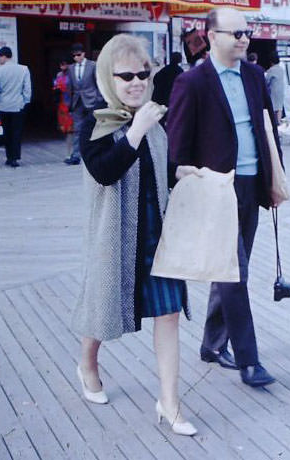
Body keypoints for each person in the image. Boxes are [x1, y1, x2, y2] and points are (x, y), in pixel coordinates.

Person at [71, 34, 196, 436]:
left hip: (158, 237)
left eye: (144, 74)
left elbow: (162, 165)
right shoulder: (96, 122)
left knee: (169, 314)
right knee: (103, 309)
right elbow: (105, 170)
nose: (137, 82)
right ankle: (88, 363)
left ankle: (170, 402)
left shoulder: (153, 119)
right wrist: (135, 130)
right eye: (126, 76)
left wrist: (182, 172)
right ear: (109, 77)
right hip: (115, 239)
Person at [167, 6, 283, 388]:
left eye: (246, 32)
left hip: (251, 184)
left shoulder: (253, 75)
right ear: (211, 36)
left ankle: (213, 344)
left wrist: (275, 177)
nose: (243, 38)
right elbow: (177, 145)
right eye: (235, 33)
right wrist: (185, 181)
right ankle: (250, 361)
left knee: (228, 268)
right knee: (236, 273)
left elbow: (267, 130)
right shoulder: (193, 82)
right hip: (216, 189)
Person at [0, 47, 31, 168]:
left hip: (3, 105)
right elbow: (27, 89)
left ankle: (9, 156)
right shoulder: (24, 69)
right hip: (18, 105)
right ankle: (15, 157)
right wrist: (25, 102)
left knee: (6, 132)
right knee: (16, 132)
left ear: (4, 56)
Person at [66, 43, 102, 165]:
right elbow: (69, 87)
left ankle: (94, 152)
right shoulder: (71, 68)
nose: (76, 57)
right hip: (77, 102)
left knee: (93, 128)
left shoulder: (93, 65)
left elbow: (99, 84)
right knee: (77, 129)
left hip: (92, 102)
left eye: (79, 55)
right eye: (74, 55)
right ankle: (76, 155)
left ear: (84, 54)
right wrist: (68, 104)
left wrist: (98, 100)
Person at [53, 60, 75, 157]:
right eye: (61, 64)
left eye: (65, 64)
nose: (63, 66)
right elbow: (56, 90)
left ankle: (74, 152)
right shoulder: (59, 75)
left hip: (74, 103)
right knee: (68, 130)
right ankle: (69, 153)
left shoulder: (73, 73)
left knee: (74, 130)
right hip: (63, 105)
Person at [265, 51, 285, 122]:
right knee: (279, 107)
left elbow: (266, 80)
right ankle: (278, 121)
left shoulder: (271, 70)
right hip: (281, 90)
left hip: (273, 90)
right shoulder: (281, 69)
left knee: (272, 106)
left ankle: (273, 121)